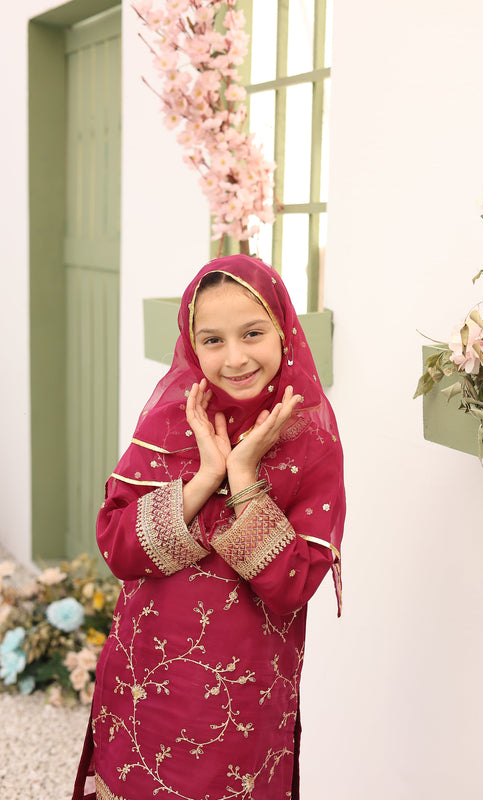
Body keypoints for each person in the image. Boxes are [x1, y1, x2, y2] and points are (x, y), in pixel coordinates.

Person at [72, 254, 345, 800]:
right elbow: (119, 549)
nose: (236, 357)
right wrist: (206, 477)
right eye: (212, 340)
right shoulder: (170, 421)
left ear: (285, 331)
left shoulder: (311, 440)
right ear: (191, 346)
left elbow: (292, 588)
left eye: (252, 333)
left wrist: (244, 478)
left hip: (243, 704)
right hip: (143, 684)